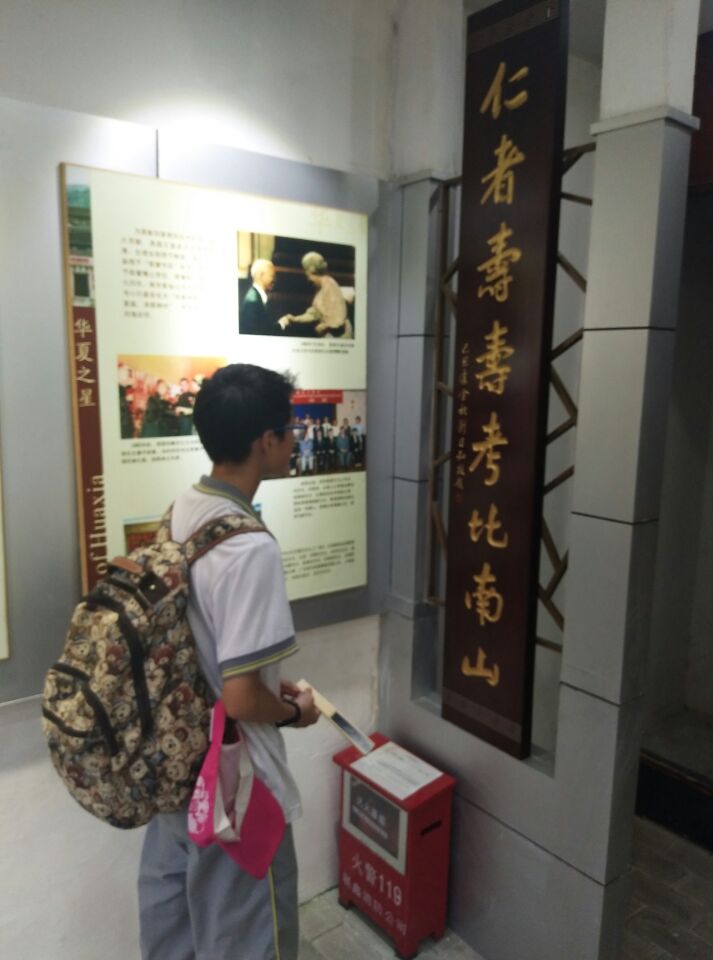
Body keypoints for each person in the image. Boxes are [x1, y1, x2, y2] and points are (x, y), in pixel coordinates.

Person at [137, 363, 320, 960]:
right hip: (235, 787)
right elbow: (241, 699)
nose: (293, 440)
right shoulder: (248, 547)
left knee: (177, 939)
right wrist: (293, 712)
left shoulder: (184, 509)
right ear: (267, 441)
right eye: (289, 429)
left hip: (177, 765)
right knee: (249, 941)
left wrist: (263, 683)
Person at [278, 251, 350, 338]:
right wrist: (295, 319)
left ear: (311, 271)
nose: (308, 279)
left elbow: (339, 317)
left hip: (339, 337)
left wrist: (325, 326)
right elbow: (313, 314)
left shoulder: (330, 285)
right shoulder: (320, 289)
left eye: (307, 273)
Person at [240, 258, 277, 336]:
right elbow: (255, 334)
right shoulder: (252, 301)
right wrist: (280, 325)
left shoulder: (256, 296)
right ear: (261, 275)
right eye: (272, 276)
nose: (274, 280)